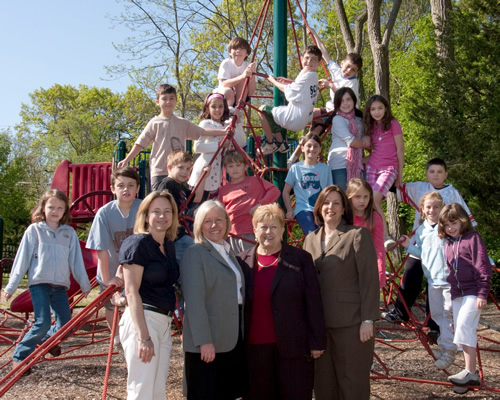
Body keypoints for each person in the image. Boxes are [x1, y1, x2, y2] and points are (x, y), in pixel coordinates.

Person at [237, 203, 326, 400]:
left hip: (293, 348)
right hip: (254, 350)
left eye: (274, 226)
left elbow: (313, 301)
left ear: (283, 230)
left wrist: (317, 341)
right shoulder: (241, 262)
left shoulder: (300, 259)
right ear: (254, 229)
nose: (268, 232)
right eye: (263, 227)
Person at [302, 185, 379, 400]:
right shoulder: (310, 239)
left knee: (352, 383)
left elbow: (369, 280)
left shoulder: (357, 235)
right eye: (326, 202)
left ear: (344, 208)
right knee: (324, 385)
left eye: (336, 203)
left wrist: (368, 319)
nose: (331, 207)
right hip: (320, 326)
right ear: (318, 207)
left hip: (352, 325)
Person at [382, 158, 476, 330]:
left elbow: (465, 219)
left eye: (440, 172)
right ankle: (400, 311)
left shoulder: (452, 193)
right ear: (426, 174)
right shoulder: (419, 188)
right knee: (410, 274)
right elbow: (392, 187)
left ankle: (434, 325)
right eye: (432, 171)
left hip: (442, 245)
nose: (436, 175)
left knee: (435, 284)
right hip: (421, 240)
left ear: (446, 174)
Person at [3, 189, 91, 370]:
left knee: (67, 325)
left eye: (60, 208)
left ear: (65, 211)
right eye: (51, 207)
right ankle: (20, 356)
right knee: (42, 322)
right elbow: (22, 259)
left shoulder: (68, 234)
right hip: (39, 284)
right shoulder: (34, 231)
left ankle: (46, 340)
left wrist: (84, 284)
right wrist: (11, 287)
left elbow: (76, 261)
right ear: (43, 208)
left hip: (60, 286)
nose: (55, 211)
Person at [180, 200, 246, 400]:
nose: (214, 225)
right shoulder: (195, 253)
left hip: (230, 339)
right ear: (199, 225)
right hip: (208, 344)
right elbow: (194, 302)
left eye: (219, 220)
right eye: (207, 221)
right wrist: (204, 341)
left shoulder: (227, 252)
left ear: (227, 222)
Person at [118, 190, 180, 400]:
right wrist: (143, 336)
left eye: (167, 211)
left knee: (157, 391)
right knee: (141, 390)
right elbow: (130, 291)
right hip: (144, 320)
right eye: (156, 212)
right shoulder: (138, 244)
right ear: (145, 215)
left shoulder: (168, 245)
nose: (162, 216)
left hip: (164, 322)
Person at [117, 84, 226, 190]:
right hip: (160, 170)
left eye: (171, 98)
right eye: (164, 99)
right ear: (157, 102)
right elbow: (140, 143)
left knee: (178, 203)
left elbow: (202, 131)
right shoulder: (155, 123)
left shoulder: (182, 123)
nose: (168, 102)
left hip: (179, 170)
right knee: (160, 200)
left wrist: (224, 132)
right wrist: (127, 160)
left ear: (176, 101)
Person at [288, 27, 363, 166]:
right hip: (329, 109)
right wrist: (314, 33)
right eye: (347, 67)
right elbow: (324, 51)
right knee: (310, 129)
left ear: (356, 73)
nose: (348, 71)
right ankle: (293, 157)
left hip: (340, 113)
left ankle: (293, 158)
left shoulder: (352, 84)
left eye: (353, 70)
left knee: (311, 125)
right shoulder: (336, 70)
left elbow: (345, 99)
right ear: (342, 63)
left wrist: (331, 86)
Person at [399, 191, 456, 369]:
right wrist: (409, 246)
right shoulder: (422, 230)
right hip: (432, 280)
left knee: (448, 315)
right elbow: (422, 255)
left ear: (442, 208)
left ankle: (450, 351)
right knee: (437, 315)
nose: (432, 210)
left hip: (447, 279)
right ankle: (447, 345)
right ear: (422, 210)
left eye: (436, 207)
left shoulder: (446, 228)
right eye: (428, 207)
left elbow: (462, 246)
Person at [86, 166, 142, 344]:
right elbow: (101, 249)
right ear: (113, 189)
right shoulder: (104, 213)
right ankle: (116, 335)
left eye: (131, 185)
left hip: (136, 270)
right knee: (110, 303)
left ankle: (135, 333)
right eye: (121, 185)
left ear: (137, 188)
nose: (126, 189)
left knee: (136, 299)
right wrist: (107, 278)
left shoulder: (143, 209)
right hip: (110, 268)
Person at [438, 203, 491, 387]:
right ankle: (471, 372)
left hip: (473, 291)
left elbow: (482, 265)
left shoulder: (472, 238)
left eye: (453, 223)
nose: (450, 228)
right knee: (465, 331)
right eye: (446, 224)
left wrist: (483, 293)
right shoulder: (448, 243)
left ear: (462, 221)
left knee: (464, 326)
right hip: (457, 292)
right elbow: (451, 269)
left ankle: (470, 371)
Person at [259, 45, 322, 155]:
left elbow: (289, 92)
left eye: (313, 59)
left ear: (319, 63)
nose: (309, 62)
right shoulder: (313, 76)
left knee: (262, 110)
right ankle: (282, 144)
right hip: (302, 118)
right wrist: (288, 81)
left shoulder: (308, 75)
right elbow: (301, 86)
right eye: (307, 58)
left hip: (294, 118)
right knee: (276, 113)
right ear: (302, 59)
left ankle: (270, 143)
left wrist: (272, 81)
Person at [363, 94, 404, 250]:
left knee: (374, 198)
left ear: (386, 109)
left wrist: (399, 175)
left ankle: (385, 236)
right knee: (368, 202)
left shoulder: (393, 124)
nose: (377, 112)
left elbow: (400, 150)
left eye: (380, 108)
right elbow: (375, 151)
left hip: (389, 168)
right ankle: (373, 234)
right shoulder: (371, 127)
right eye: (373, 109)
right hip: (372, 166)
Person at [218, 150, 280, 253]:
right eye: (231, 166)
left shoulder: (255, 181)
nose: (235, 169)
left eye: (238, 165)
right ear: (226, 169)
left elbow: (275, 191)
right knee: (236, 264)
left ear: (245, 166)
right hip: (232, 233)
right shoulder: (224, 190)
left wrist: (260, 205)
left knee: (253, 262)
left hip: (252, 231)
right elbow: (221, 211)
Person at [157, 150, 210, 264]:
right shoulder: (167, 184)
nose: (184, 172)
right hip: (171, 237)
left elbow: (196, 198)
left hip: (179, 234)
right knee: (195, 256)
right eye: (181, 168)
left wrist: (203, 177)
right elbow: (161, 206)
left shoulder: (180, 186)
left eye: (187, 169)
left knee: (196, 254)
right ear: (170, 167)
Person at [188, 93, 245, 196]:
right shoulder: (205, 124)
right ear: (207, 108)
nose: (217, 110)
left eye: (220, 106)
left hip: (216, 176)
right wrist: (219, 145)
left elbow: (241, 142)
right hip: (203, 171)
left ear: (224, 108)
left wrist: (239, 122)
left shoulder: (227, 126)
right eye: (213, 107)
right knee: (197, 207)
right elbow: (197, 147)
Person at [283, 133, 333, 235]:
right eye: (309, 146)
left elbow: (330, 192)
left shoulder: (325, 169)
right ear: (302, 148)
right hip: (303, 208)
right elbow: (285, 191)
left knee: (325, 234)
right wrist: (289, 210)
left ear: (319, 149)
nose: (312, 149)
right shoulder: (295, 168)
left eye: (315, 146)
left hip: (321, 209)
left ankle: (317, 251)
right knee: (312, 233)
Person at [327, 87, 369, 190]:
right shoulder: (337, 119)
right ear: (337, 103)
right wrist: (366, 141)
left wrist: (368, 138)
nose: (345, 103)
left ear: (354, 100)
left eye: (348, 99)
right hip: (339, 164)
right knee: (343, 198)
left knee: (358, 198)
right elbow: (352, 142)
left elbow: (372, 137)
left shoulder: (360, 120)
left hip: (357, 164)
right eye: (341, 101)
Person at [346, 178, 386, 287]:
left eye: (365, 197)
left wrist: (380, 273)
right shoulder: (344, 217)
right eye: (357, 197)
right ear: (349, 197)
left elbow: (378, 247)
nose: (362, 201)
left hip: (367, 265)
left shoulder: (375, 217)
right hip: (347, 266)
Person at [214, 37, 256, 107]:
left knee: (243, 82)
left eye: (242, 49)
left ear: (247, 53)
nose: (238, 51)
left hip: (240, 97)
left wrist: (252, 76)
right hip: (224, 96)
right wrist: (242, 76)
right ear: (230, 52)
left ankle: (238, 109)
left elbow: (251, 92)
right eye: (235, 48)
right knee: (229, 91)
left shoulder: (248, 65)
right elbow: (225, 84)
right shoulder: (226, 63)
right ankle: (228, 112)